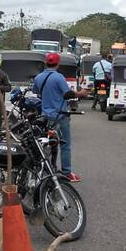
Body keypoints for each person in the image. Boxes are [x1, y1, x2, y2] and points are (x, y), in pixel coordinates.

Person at [32, 52, 88, 182]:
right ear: (58, 64)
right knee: (64, 144)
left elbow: (35, 91)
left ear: (46, 63)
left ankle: (45, 170)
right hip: (60, 115)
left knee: (46, 144)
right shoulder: (58, 77)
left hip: (45, 115)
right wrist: (82, 93)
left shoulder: (39, 77)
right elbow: (68, 93)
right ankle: (66, 172)